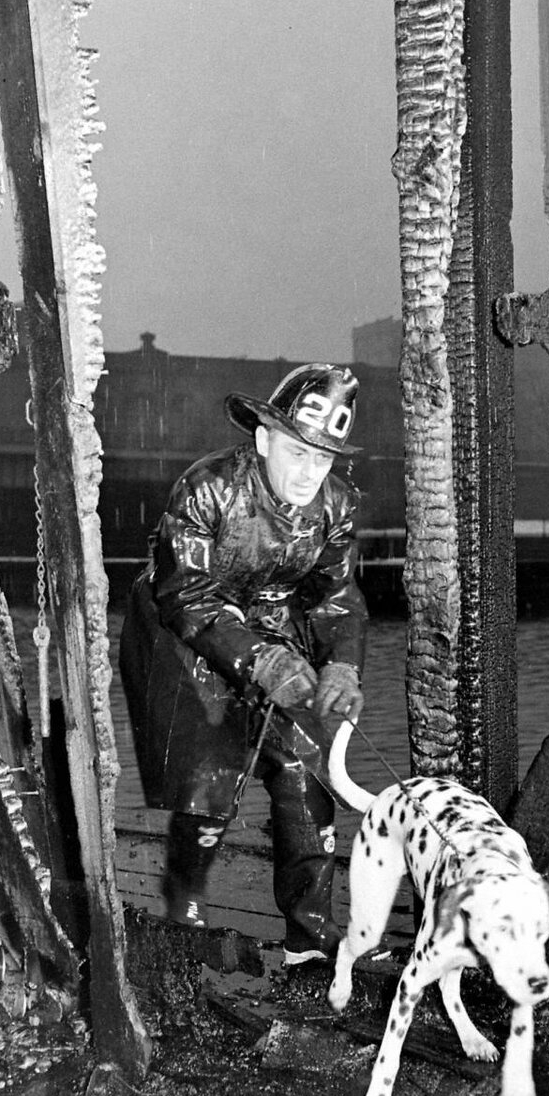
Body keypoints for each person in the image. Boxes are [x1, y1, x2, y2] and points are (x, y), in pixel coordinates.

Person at [119, 363, 367, 964]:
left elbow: (336, 597)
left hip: (275, 629)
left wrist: (340, 666)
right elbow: (185, 594)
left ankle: (310, 933)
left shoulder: (336, 506)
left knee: (303, 768)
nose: (309, 473)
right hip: (184, 633)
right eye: (297, 452)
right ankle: (185, 904)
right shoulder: (207, 487)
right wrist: (258, 660)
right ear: (262, 439)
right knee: (208, 779)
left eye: (323, 459)